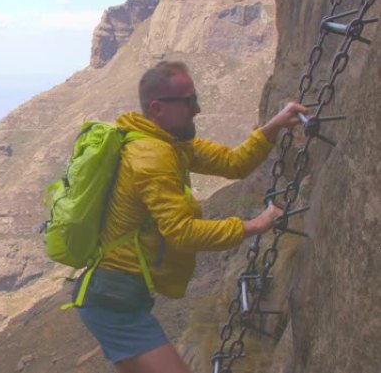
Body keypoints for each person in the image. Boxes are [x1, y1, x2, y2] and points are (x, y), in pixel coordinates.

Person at [74, 61, 307, 373]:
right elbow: (181, 232)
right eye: (188, 101)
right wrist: (256, 225)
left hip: (117, 296)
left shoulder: (171, 144)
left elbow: (233, 163)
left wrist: (272, 127)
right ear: (157, 108)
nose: (197, 109)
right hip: (113, 300)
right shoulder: (151, 157)